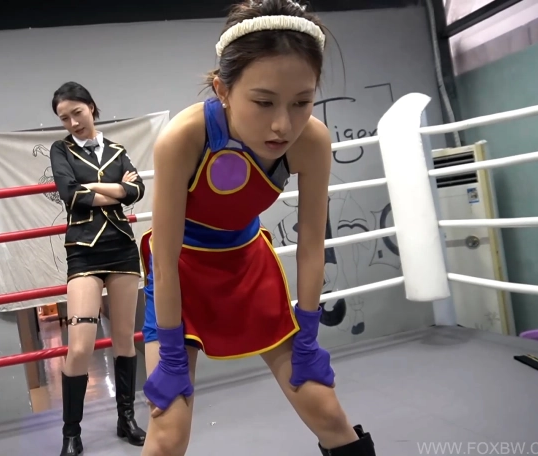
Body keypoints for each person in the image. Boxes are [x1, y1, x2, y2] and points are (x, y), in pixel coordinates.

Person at [138, 1, 377, 455]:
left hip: (249, 267)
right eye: (263, 102)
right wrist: (170, 354)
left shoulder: (311, 141)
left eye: (302, 102)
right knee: (167, 435)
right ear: (222, 89)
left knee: (328, 413)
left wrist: (308, 335)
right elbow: (164, 261)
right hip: (181, 275)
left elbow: (312, 246)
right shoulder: (184, 138)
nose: (283, 124)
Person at [49, 81, 147, 456]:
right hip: (83, 252)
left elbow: (137, 192)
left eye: (77, 112)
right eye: (64, 118)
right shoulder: (61, 149)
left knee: (124, 339)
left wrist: (97, 187)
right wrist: (115, 189)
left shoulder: (118, 150)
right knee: (79, 346)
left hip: (122, 248)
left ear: (91, 107)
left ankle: (126, 419)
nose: (73, 122)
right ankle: (70, 433)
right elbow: (70, 194)